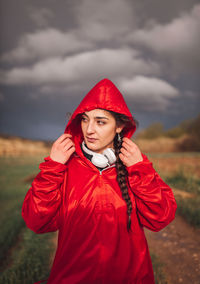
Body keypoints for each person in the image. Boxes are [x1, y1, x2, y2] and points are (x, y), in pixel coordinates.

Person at [22, 78, 177, 284]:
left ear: (120, 126)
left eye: (100, 122)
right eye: (85, 119)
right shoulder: (63, 167)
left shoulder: (136, 165)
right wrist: (53, 168)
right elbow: (37, 221)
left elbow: (160, 218)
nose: (89, 130)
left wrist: (139, 170)